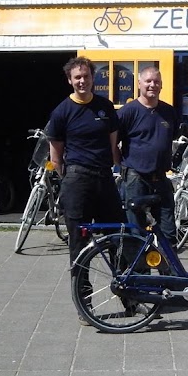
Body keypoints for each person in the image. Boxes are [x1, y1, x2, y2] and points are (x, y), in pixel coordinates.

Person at [46, 57, 124, 271]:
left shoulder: (105, 107)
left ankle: (127, 293)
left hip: (104, 179)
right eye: (77, 77)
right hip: (78, 180)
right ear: (70, 80)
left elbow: (113, 146)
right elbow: (56, 157)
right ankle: (83, 293)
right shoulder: (62, 112)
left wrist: (121, 170)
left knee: (118, 234)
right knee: (79, 242)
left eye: (86, 76)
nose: (82, 81)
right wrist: (67, 182)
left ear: (93, 77)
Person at [118, 66, 179, 240]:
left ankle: (169, 267)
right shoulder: (127, 112)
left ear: (161, 85)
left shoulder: (168, 112)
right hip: (136, 178)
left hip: (161, 178)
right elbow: (112, 143)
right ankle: (139, 268)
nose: (152, 85)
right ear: (139, 84)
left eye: (156, 81)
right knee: (137, 231)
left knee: (167, 232)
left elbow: (172, 138)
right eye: (148, 81)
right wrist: (121, 165)